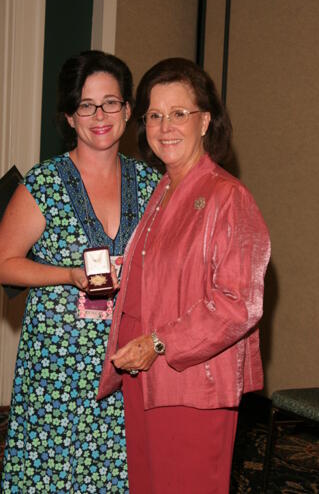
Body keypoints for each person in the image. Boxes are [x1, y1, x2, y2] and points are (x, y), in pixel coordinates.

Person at [0, 50, 161, 493]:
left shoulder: (150, 183)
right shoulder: (44, 183)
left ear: (128, 110)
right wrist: (66, 275)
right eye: (86, 105)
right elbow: (0, 264)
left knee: (114, 474)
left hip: (125, 362)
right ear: (69, 115)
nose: (99, 115)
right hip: (57, 366)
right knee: (51, 473)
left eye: (111, 102)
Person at [98, 57, 271, 494]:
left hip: (190, 377)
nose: (164, 126)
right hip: (142, 370)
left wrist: (159, 343)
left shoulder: (227, 195)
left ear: (205, 120)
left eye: (179, 113)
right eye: (154, 115)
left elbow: (237, 303)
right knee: (149, 484)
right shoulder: (166, 185)